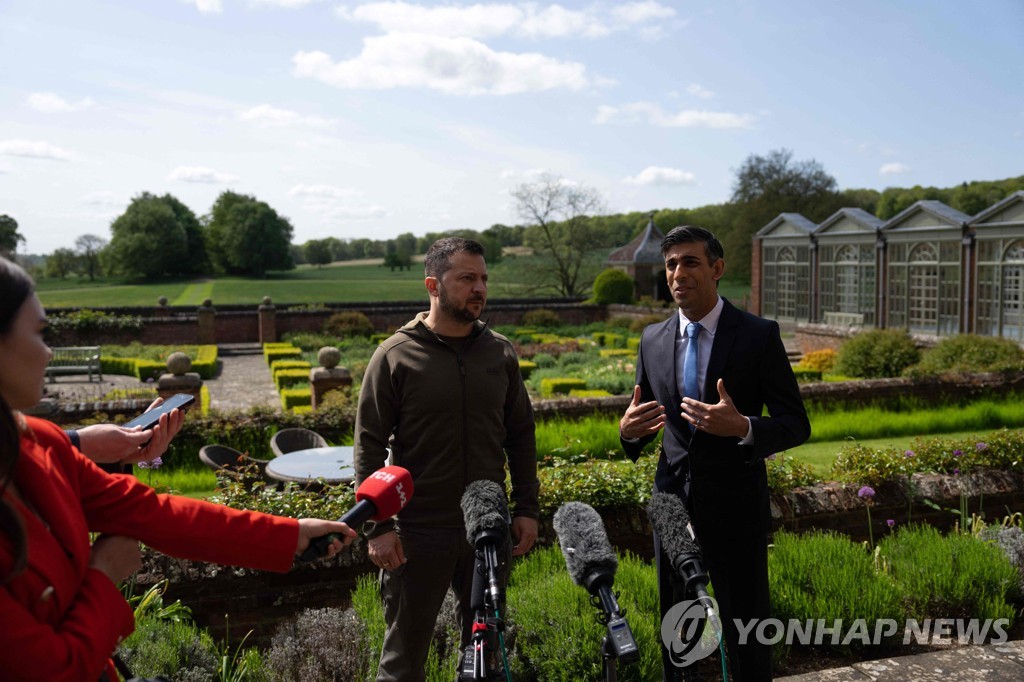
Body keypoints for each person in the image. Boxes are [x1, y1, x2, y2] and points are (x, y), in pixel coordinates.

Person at [0, 256, 358, 682]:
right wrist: (103, 574)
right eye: (39, 333)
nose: (49, 350)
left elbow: (155, 514)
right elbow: (54, 670)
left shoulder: (38, 442)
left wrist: (291, 534)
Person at [619, 226, 810, 681]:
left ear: (717, 269)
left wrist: (742, 426)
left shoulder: (758, 336)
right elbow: (643, 424)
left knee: (746, 638)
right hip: (671, 510)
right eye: (671, 265)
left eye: (690, 262)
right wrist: (627, 433)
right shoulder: (652, 339)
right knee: (678, 638)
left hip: (736, 510)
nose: (678, 273)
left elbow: (795, 424)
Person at [354, 237, 539, 681]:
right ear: (433, 285)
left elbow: (521, 436)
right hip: (419, 531)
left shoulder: (499, 351)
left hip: (487, 530)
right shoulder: (395, 356)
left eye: (484, 279)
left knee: (483, 656)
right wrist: (378, 527)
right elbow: (369, 446)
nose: (479, 288)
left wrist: (528, 509)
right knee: (403, 660)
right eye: (467, 278)